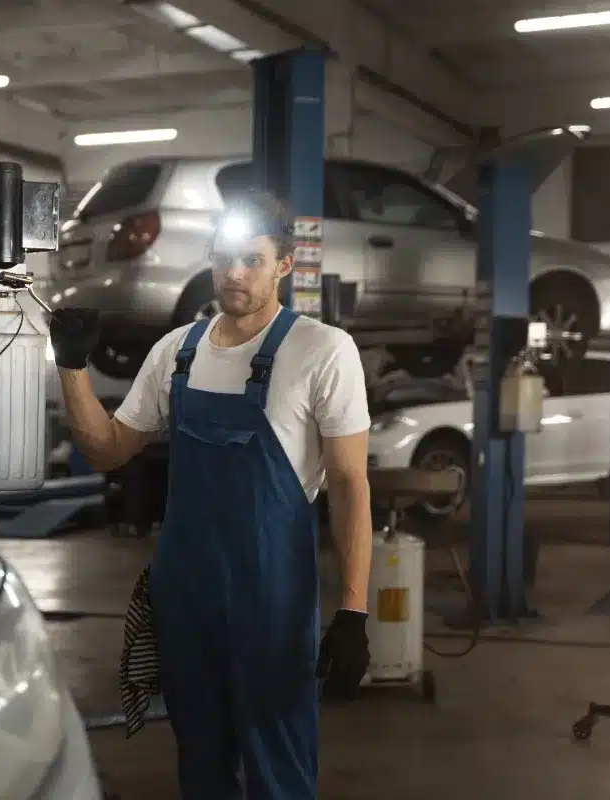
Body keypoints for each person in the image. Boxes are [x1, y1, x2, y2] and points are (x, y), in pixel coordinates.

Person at [50, 190, 373, 799]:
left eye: (252, 259)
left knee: (279, 765)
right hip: (185, 597)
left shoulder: (322, 350)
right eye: (224, 258)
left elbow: (351, 484)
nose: (234, 273)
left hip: (270, 601)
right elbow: (110, 449)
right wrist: (72, 366)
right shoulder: (177, 351)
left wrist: (353, 610)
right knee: (200, 764)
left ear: (284, 263)